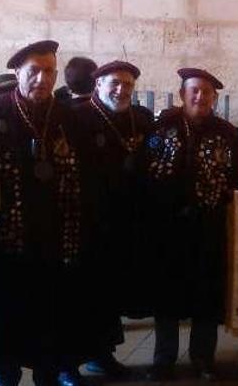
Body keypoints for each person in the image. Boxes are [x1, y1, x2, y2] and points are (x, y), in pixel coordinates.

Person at [0, 40, 97, 386]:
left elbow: (87, 179)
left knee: (51, 328)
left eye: (49, 72)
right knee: (7, 328)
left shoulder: (68, 119)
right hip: (6, 249)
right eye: (34, 71)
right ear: (17, 72)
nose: (42, 79)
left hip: (57, 247)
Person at [145, 68, 238, 381]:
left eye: (206, 92)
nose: (200, 97)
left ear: (214, 98)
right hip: (168, 230)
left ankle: (203, 358)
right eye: (194, 91)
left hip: (208, 229)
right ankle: (164, 360)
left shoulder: (226, 133)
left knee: (206, 296)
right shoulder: (162, 128)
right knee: (166, 299)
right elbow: (145, 171)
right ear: (182, 94)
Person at [73, 60, 154, 378]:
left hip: (122, 224)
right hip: (85, 222)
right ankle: (70, 364)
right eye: (115, 83)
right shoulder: (77, 118)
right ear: (98, 84)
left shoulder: (140, 120)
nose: (121, 90)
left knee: (108, 296)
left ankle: (102, 356)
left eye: (128, 85)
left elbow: (153, 153)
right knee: (81, 296)